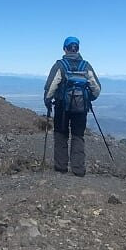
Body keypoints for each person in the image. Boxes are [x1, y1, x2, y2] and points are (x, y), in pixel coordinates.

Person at [43, 36, 101, 176]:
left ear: (65, 49)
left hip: (62, 107)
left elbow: (51, 87)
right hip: (81, 109)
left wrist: (47, 101)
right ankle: (78, 169)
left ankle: (61, 167)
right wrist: (89, 98)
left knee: (61, 135)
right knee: (78, 136)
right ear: (78, 49)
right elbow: (96, 88)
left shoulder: (60, 65)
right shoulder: (86, 66)